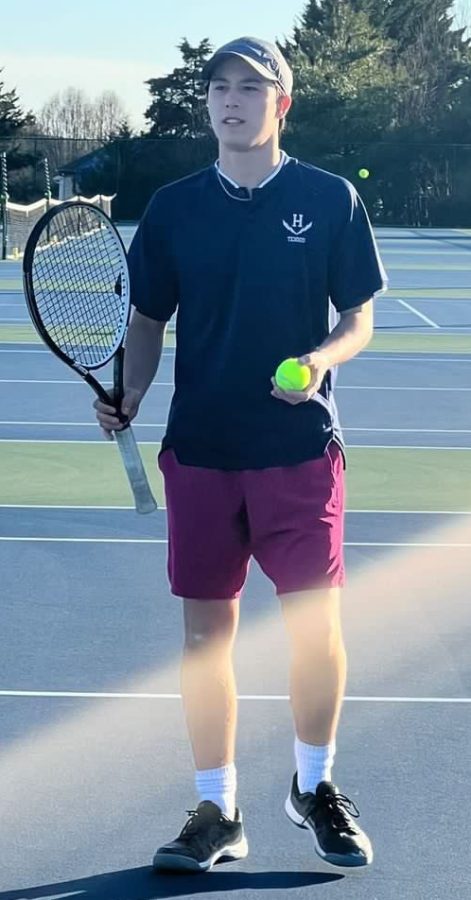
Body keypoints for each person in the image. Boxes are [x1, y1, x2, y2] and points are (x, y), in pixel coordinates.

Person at [94, 36, 388, 874]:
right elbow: (147, 320)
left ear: (280, 103)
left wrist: (322, 363)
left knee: (315, 632)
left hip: (297, 449)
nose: (231, 100)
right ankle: (218, 811)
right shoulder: (175, 208)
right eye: (218, 87)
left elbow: (358, 315)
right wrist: (134, 393)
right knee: (203, 642)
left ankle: (314, 786)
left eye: (250, 88)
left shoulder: (328, 199)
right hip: (202, 451)